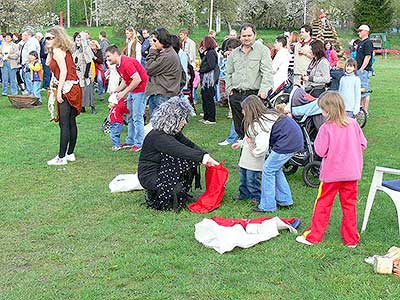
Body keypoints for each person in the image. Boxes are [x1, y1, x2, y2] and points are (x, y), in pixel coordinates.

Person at [296, 91, 367, 247]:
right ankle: (351, 240)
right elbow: (363, 144)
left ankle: (313, 237)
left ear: (328, 111)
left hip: (332, 175)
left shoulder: (326, 128)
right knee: (349, 206)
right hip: (351, 174)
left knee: (323, 204)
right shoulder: (353, 124)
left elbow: (320, 151)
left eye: (323, 110)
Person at [138, 97, 219, 210]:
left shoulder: (171, 132)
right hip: (149, 175)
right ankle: (153, 195)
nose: (185, 122)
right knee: (177, 186)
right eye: (183, 119)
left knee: (188, 163)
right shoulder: (159, 136)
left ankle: (172, 191)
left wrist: (206, 155)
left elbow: (189, 145)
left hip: (161, 169)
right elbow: (181, 150)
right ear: (173, 119)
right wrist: (203, 158)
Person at [226, 23, 273, 139]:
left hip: (254, 95)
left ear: (255, 35)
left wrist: (263, 91)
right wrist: (229, 90)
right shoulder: (234, 53)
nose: (246, 38)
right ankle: (243, 147)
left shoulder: (262, 51)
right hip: (236, 94)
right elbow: (228, 73)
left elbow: (267, 72)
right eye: (244, 36)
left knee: (254, 128)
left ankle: (255, 152)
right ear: (240, 37)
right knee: (239, 128)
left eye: (249, 35)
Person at [255, 106, 304, 213]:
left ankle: (267, 206)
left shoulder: (263, 120)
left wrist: (255, 152)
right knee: (275, 169)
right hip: (295, 140)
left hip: (287, 142)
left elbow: (262, 146)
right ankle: (285, 199)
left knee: (268, 169)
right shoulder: (270, 114)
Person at [45, 26, 82, 166]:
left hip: (67, 87)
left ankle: (62, 157)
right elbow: (48, 63)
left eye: (49, 38)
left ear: (57, 38)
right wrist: (49, 48)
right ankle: (70, 153)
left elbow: (64, 71)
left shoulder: (58, 51)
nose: (46, 40)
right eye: (45, 38)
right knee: (71, 122)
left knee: (64, 123)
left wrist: (59, 91)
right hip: (74, 86)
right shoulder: (59, 50)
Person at [231, 95, 278, 202]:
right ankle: (244, 194)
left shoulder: (260, 124)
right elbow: (248, 136)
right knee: (243, 176)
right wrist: (240, 143)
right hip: (246, 157)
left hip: (254, 158)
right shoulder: (251, 122)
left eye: (244, 109)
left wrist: (254, 150)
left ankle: (255, 196)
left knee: (252, 179)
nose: (242, 112)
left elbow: (261, 145)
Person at [105, 45, 148, 152]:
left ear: (115, 54)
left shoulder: (126, 62)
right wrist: (117, 90)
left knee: (137, 117)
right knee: (130, 116)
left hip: (141, 90)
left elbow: (137, 79)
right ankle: (131, 141)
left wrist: (124, 92)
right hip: (133, 91)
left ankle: (139, 143)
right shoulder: (118, 66)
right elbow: (126, 79)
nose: (107, 59)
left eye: (108, 56)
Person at [146, 28, 182, 115]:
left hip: (162, 94)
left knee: (161, 125)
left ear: (162, 40)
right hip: (161, 92)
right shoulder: (166, 53)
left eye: (155, 40)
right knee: (156, 124)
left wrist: (152, 51)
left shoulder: (167, 56)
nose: (153, 43)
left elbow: (149, 69)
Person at [72, 32, 95, 114]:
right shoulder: (75, 50)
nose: (77, 42)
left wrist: (86, 73)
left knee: (88, 90)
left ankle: (92, 106)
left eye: (79, 40)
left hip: (86, 72)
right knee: (80, 90)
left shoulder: (86, 49)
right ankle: (82, 106)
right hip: (78, 72)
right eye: (76, 40)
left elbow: (88, 61)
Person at [198, 36, 219, 124]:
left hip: (209, 80)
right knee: (205, 97)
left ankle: (211, 118)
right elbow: (204, 61)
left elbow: (211, 65)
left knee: (209, 98)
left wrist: (201, 70)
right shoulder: (208, 53)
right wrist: (201, 54)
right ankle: (206, 116)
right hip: (206, 80)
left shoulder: (211, 53)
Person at [355, 24, 373, 115]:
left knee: (365, 91)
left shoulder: (368, 42)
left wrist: (362, 68)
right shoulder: (360, 43)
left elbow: (368, 56)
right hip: (358, 69)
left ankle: (365, 111)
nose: (359, 32)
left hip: (364, 70)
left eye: (360, 31)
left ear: (366, 31)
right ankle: (360, 109)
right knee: (360, 90)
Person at [20, 29, 41, 95]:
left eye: (24, 35)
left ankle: (31, 95)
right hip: (28, 63)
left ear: (28, 35)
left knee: (29, 79)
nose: (23, 37)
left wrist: (29, 63)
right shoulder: (30, 41)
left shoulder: (32, 42)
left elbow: (32, 54)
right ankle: (31, 94)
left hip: (30, 64)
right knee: (27, 79)